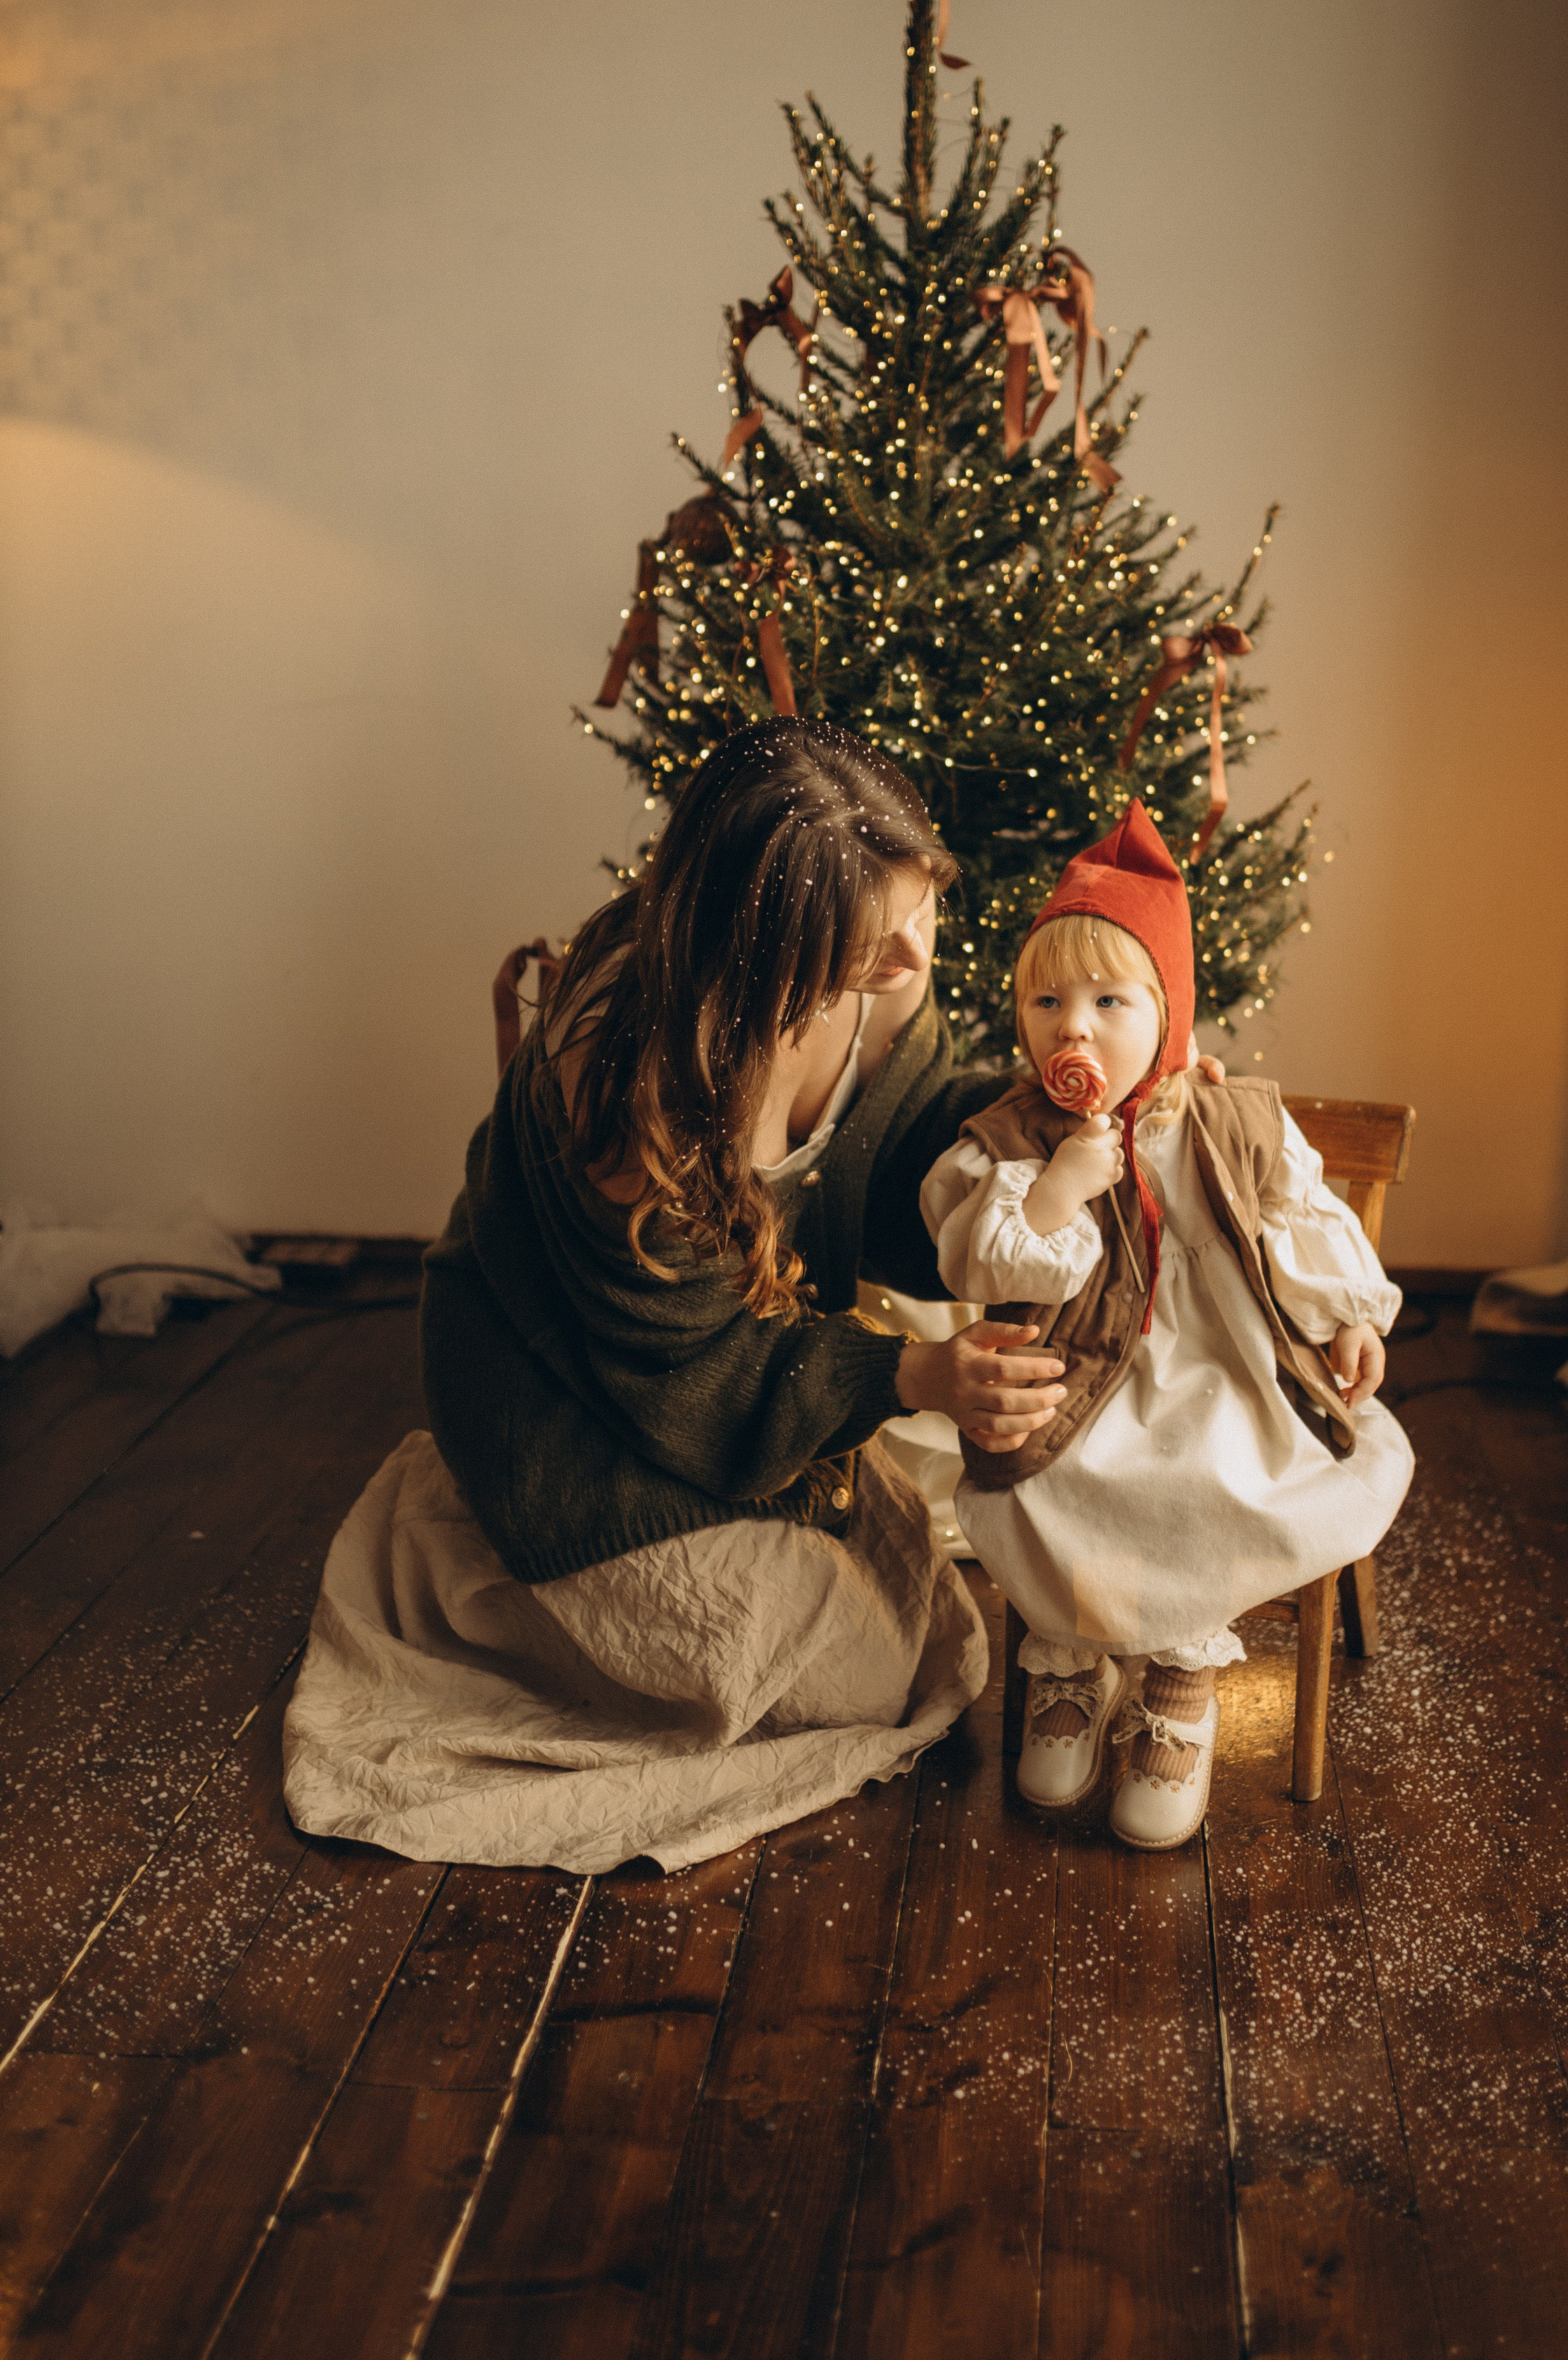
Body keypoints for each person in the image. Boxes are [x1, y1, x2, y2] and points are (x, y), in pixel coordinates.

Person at [282, 720, 1069, 1875]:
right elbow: (694, 1373)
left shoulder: (885, 980)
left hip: (745, 1347)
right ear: (761, 946)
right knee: (850, 1667)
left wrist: (1044, 1125)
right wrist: (910, 1376)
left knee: (916, 1620)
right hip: (579, 1395)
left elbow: (904, 1142)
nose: (913, 956)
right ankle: (494, 1585)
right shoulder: (630, 1094)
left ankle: (637, 1593)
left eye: (921, 912)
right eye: (874, 940)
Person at [920, 799, 1413, 1852]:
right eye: (1046, 1000)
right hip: (1078, 1374)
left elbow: (1301, 1214)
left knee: (1210, 1470)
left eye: (1110, 999)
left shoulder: (1231, 1116)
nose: (1075, 1025)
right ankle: (1065, 1659)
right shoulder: (1012, 1134)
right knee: (1053, 1476)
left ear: (1172, 1013)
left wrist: (1351, 1313)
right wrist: (1057, 1188)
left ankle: (1183, 1676)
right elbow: (968, 1249)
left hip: (1219, 1359)